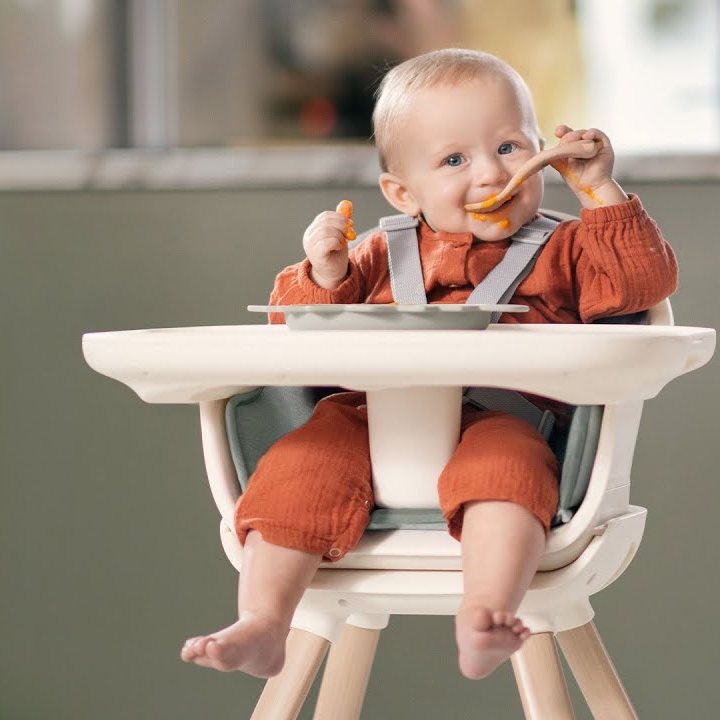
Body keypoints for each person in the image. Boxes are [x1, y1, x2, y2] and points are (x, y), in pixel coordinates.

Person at [181, 48, 677, 681]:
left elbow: (642, 284)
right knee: (296, 469)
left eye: (509, 147)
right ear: (401, 191)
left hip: (506, 419)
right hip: (367, 423)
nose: (491, 175)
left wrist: (601, 192)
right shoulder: (376, 255)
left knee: (508, 474)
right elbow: (290, 329)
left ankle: (487, 613)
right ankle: (263, 621)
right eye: (453, 160)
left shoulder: (568, 250)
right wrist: (325, 273)